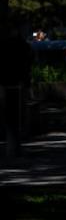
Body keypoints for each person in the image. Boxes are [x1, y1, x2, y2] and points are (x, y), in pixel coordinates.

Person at [0, 17, 34, 160]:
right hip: (16, 83)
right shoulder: (22, 46)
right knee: (15, 117)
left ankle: (12, 148)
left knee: (11, 117)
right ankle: (14, 148)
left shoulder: (8, 45)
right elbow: (28, 62)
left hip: (9, 83)